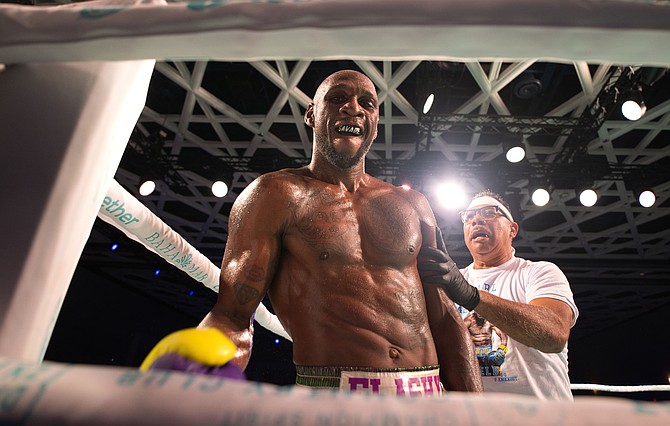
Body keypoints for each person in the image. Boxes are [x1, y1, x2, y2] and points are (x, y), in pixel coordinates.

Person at [144, 69, 482, 396]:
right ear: (311, 115)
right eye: (338, 98)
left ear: (376, 125)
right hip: (335, 396)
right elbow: (232, 316)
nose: (353, 107)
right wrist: (202, 364)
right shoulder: (275, 195)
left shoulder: (414, 204)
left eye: (367, 103)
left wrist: (475, 414)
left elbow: (445, 317)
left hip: (428, 392)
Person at [418, 190, 579, 401]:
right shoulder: (450, 280)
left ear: (512, 229)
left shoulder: (538, 272)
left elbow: (554, 334)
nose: (477, 219)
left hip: (543, 424)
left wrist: (472, 296)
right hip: (475, 424)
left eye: (490, 212)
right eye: (469, 216)